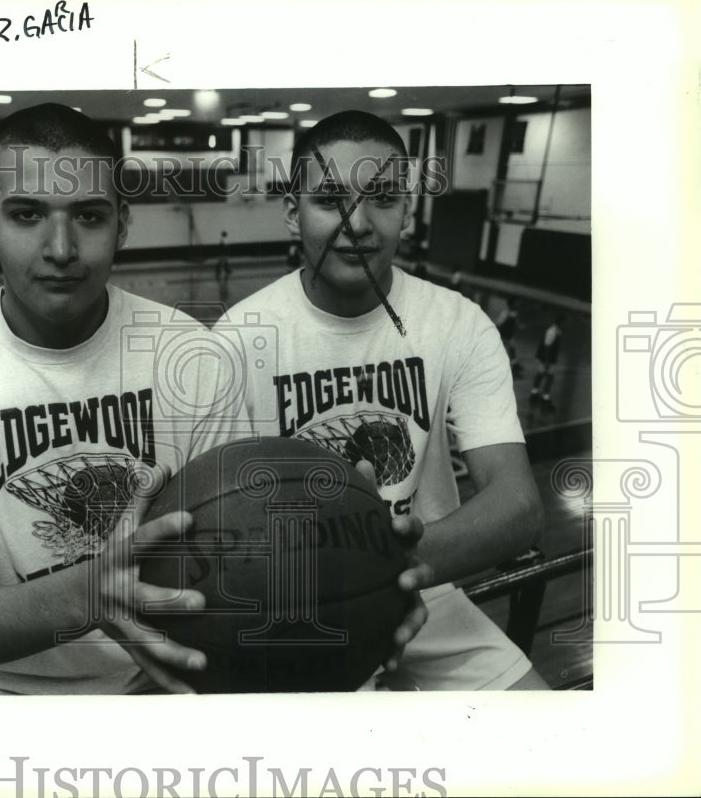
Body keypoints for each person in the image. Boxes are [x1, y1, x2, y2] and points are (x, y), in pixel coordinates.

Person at [0, 104, 430, 696]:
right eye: (28, 214)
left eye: (89, 216)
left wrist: (357, 564)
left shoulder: (190, 355)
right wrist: (85, 594)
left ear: (122, 222)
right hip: (2, 688)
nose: (60, 247)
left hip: (178, 667)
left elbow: (241, 544)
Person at [216, 110, 547, 690]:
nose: (358, 224)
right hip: (299, 601)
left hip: (425, 582)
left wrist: (375, 573)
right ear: (293, 211)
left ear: (407, 210)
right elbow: (224, 532)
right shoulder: (236, 341)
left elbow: (518, 506)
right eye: (330, 200)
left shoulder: (458, 322)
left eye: (383, 198)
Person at [531, 312, 565, 412]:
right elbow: (547, 346)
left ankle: (535, 393)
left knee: (541, 374)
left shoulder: (558, 331)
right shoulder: (552, 331)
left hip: (549, 358)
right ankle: (544, 398)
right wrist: (547, 361)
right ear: (560, 322)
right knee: (548, 377)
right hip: (546, 358)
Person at [496, 296, 522, 378]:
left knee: (512, 351)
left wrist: (520, 326)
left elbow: (516, 323)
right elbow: (498, 324)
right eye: (516, 304)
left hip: (509, 336)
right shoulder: (505, 313)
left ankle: (514, 366)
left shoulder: (515, 313)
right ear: (511, 304)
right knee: (504, 353)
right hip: (503, 336)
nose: (517, 305)